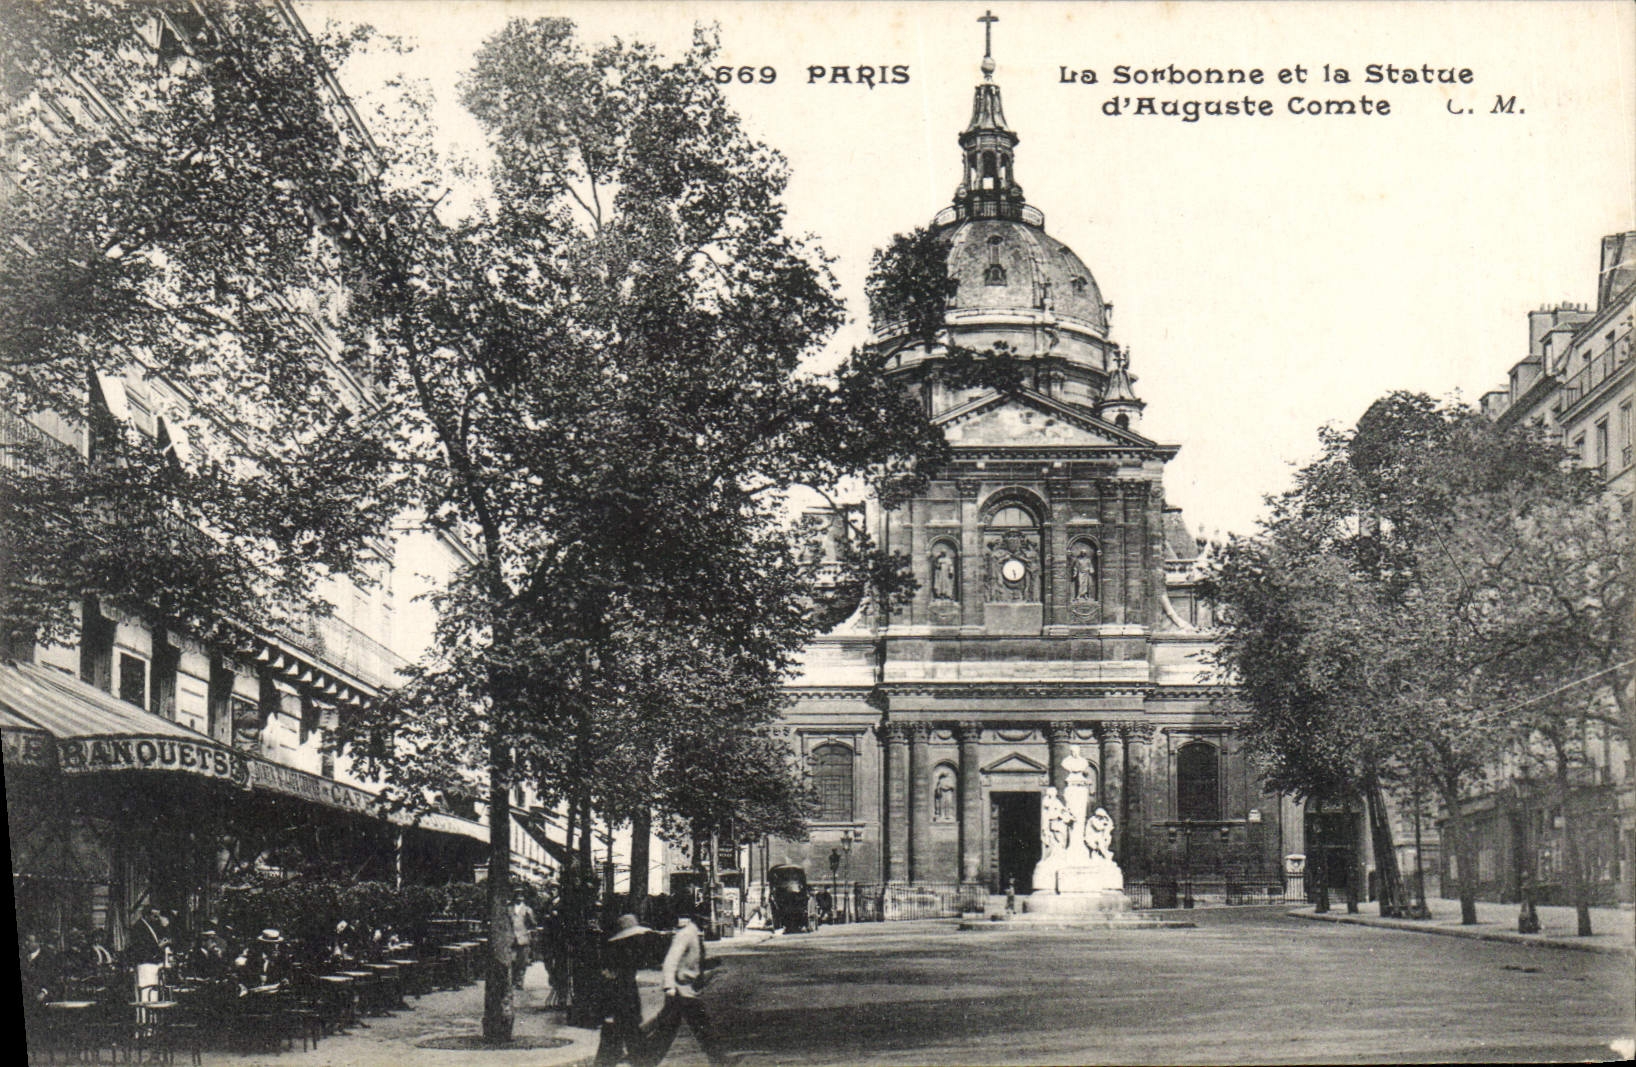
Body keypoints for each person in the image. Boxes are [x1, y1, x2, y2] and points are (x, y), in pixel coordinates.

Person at [641, 911, 728, 1066]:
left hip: (686, 991)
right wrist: (669, 986)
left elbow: (691, 964)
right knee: (702, 1028)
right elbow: (671, 960)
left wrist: (712, 964)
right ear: (699, 919)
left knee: (666, 1032)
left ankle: (645, 1061)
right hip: (680, 991)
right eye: (706, 920)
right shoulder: (686, 935)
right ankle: (720, 1062)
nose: (708, 923)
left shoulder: (695, 934)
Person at [594, 914, 652, 1067]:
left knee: (619, 1044)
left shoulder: (628, 951)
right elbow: (613, 982)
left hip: (626, 1005)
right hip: (620, 1004)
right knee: (626, 1043)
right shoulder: (620, 953)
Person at [509, 891, 537, 990]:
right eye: (517, 894)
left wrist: (529, 930)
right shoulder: (509, 909)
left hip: (523, 938)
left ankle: (519, 982)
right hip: (511, 938)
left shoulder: (527, 910)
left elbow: (533, 923)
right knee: (511, 960)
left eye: (522, 894)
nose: (520, 897)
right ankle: (511, 981)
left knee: (522, 961)